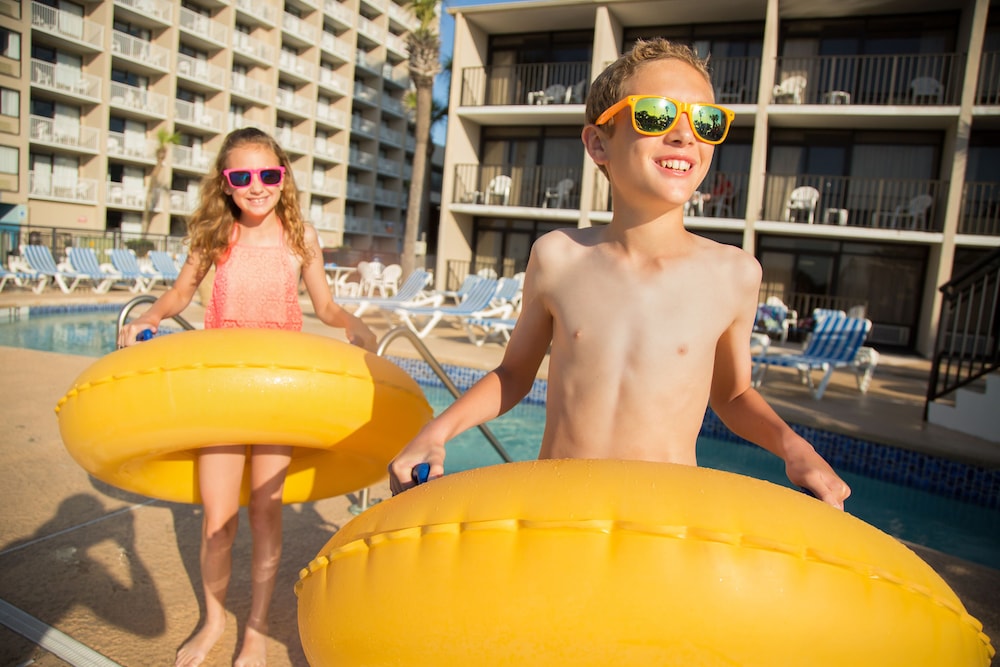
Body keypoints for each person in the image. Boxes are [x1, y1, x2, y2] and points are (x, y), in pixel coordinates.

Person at [387, 39, 851, 510]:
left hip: (660, 518)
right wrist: (436, 432)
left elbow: (732, 396)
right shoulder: (559, 257)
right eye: (656, 115)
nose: (684, 134)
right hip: (559, 508)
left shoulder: (732, 274)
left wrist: (796, 449)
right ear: (598, 143)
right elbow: (514, 374)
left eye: (706, 121)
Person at [119, 127, 377, 667]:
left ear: (283, 177)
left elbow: (326, 307)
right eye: (242, 176)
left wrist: (353, 323)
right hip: (222, 388)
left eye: (268, 174)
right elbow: (180, 293)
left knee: (265, 511)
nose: (256, 186)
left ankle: (255, 629)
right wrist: (150, 315)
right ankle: (214, 620)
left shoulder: (301, 236)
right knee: (218, 522)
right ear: (226, 183)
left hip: (276, 389)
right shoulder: (216, 235)